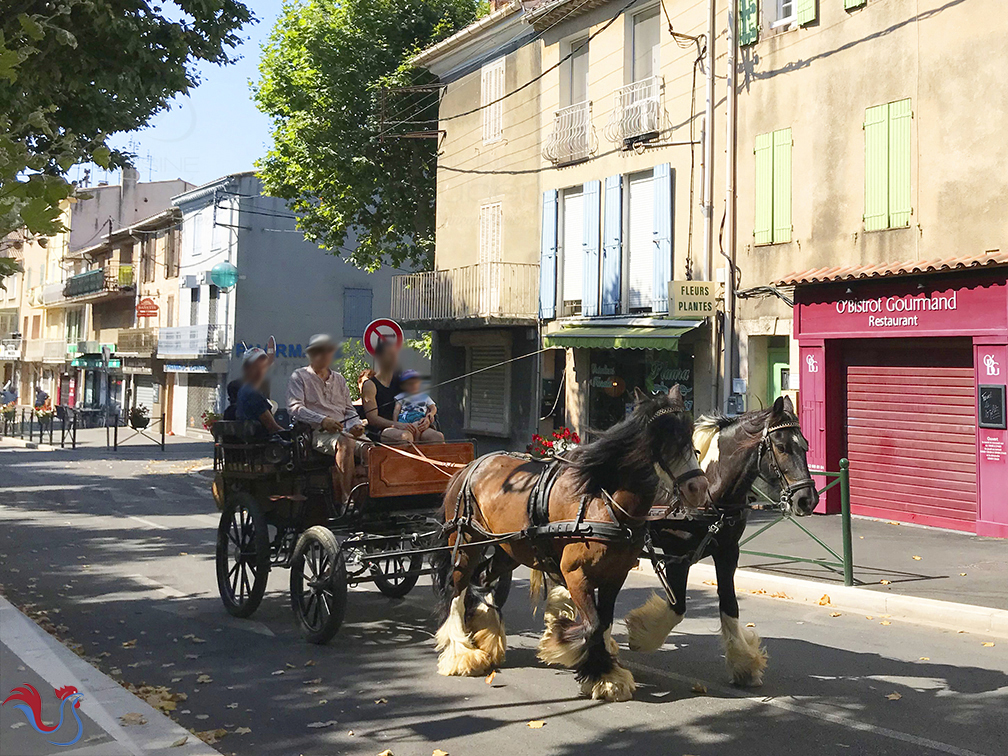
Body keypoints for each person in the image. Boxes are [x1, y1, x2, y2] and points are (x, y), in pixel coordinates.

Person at [287, 334, 365, 504]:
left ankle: (371, 494)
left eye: (327, 352)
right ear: (311, 354)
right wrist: (322, 420)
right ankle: (346, 498)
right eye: (319, 352)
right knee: (346, 443)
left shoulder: (339, 379)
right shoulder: (299, 376)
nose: (324, 356)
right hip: (318, 434)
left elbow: (349, 410)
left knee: (373, 450)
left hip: (345, 433)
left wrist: (356, 425)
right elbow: (295, 408)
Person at [360, 338, 420, 443]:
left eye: (395, 354)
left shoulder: (403, 381)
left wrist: (427, 418)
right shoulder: (370, 385)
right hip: (381, 430)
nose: (394, 357)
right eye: (389, 354)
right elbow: (372, 418)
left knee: (435, 436)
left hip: (406, 423)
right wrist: (396, 424)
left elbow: (419, 403)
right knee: (405, 437)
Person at [236, 348, 283, 434]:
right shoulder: (252, 394)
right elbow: (272, 427)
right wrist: (291, 437)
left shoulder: (245, 390)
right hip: (260, 444)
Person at [393, 370, 443, 443]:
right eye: (409, 384)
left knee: (418, 425)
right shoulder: (401, 396)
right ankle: (415, 444)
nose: (413, 385)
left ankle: (417, 443)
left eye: (415, 383)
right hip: (405, 419)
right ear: (403, 386)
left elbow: (433, 407)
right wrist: (395, 422)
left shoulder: (424, 397)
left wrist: (431, 414)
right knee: (408, 431)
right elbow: (396, 410)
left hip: (419, 418)